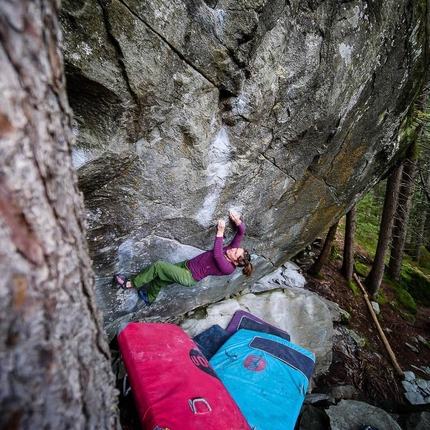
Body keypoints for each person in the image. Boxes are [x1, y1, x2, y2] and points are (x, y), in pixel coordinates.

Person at [114, 209, 253, 305]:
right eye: (236, 248)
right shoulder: (232, 250)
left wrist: (220, 232)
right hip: (186, 265)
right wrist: (238, 221)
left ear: (235, 261)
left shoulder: (228, 268)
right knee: (159, 281)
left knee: (158, 266)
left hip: (189, 277)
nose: (234, 249)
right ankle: (150, 298)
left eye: (235, 252)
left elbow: (217, 254)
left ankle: (131, 284)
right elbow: (241, 233)